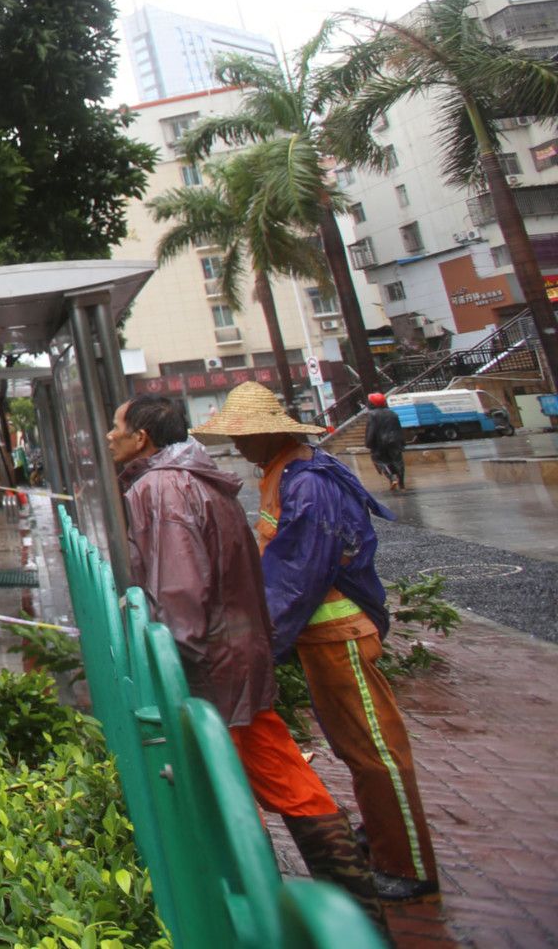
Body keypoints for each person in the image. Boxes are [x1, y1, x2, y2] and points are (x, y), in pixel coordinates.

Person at [107, 394, 383, 920]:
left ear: (142, 437)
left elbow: (179, 592)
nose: (109, 436)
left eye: (116, 427)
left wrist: (171, 670)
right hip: (239, 657)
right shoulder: (195, 478)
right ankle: (360, 912)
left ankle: (262, 912)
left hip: (210, 668)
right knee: (286, 777)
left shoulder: (161, 488)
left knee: (222, 786)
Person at [194, 382, 439, 902]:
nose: (237, 444)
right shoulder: (283, 472)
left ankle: (407, 864)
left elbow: (296, 575)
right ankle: (380, 837)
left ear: (270, 433)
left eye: (243, 435)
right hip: (322, 637)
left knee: (375, 750)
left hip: (338, 635)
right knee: (355, 747)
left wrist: (262, 642)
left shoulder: (305, 482)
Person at [362, 392, 407, 491]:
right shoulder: (393, 413)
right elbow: (399, 429)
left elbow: (371, 430)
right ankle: (402, 484)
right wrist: (402, 441)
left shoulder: (372, 414)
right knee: (398, 461)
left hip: (380, 443)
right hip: (395, 441)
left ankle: (392, 478)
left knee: (379, 460)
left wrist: (368, 443)